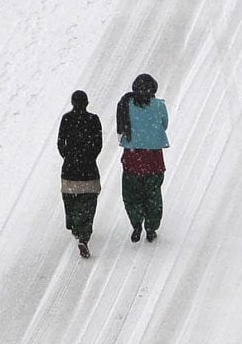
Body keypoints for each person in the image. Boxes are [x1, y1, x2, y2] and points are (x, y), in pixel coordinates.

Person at [115, 73, 169, 242]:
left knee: (132, 194)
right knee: (153, 195)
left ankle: (137, 222)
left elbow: (121, 127)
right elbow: (164, 124)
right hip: (154, 159)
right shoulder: (159, 106)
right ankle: (151, 227)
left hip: (132, 157)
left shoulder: (126, 104)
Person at [58, 90, 104, 258]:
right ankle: (84, 236)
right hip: (89, 169)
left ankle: (74, 225)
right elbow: (98, 144)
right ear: (87, 103)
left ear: (72, 103)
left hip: (70, 169)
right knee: (88, 203)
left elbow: (60, 142)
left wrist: (69, 156)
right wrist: (89, 157)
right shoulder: (93, 120)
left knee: (70, 200)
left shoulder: (66, 119)